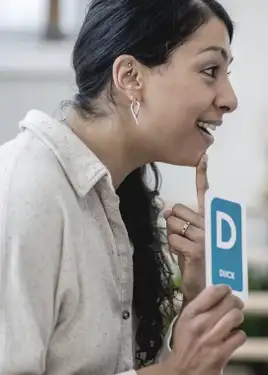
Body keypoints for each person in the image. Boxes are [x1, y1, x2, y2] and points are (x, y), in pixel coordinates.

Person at [0, 0, 245, 374]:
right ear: (130, 77)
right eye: (210, 70)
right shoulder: (25, 190)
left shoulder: (118, 203)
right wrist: (175, 371)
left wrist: (196, 301)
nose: (229, 100)